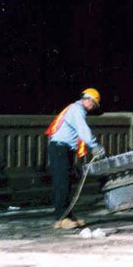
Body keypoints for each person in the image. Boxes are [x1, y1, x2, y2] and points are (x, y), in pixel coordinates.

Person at [46, 88, 106, 229]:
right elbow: (83, 130)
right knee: (62, 183)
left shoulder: (75, 109)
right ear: (88, 100)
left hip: (63, 149)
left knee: (66, 182)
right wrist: (94, 146)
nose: (93, 108)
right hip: (60, 148)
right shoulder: (77, 110)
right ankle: (61, 218)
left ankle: (68, 216)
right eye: (94, 104)